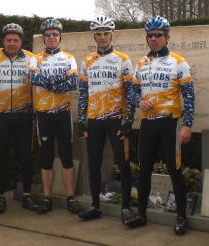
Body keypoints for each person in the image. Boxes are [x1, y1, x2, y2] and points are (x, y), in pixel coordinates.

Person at [126, 16, 195, 235]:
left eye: (158, 35)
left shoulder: (178, 61)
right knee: (144, 170)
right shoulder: (142, 62)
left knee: (175, 170)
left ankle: (181, 216)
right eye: (150, 35)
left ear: (167, 37)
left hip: (170, 123)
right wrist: (138, 101)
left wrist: (187, 125)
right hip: (148, 124)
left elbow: (190, 95)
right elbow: (131, 90)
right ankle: (141, 214)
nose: (154, 39)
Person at [77, 16, 135, 222]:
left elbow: (131, 93)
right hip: (94, 120)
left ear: (111, 35)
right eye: (99, 34)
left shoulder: (123, 59)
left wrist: (129, 121)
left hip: (116, 119)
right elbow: (83, 93)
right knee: (93, 164)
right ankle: (95, 206)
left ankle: (126, 207)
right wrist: (81, 120)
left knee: (123, 162)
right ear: (94, 36)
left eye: (106, 34)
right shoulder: (86, 61)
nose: (102, 38)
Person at [0, 23, 38, 213]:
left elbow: (38, 83)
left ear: (21, 42)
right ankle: (0, 196)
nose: (12, 43)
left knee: (25, 156)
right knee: (0, 157)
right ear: (3, 41)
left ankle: (27, 195)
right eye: (8, 40)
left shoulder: (31, 58)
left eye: (16, 40)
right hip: (0, 116)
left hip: (24, 115)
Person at [29, 18, 81, 215]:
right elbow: (34, 78)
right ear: (43, 38)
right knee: (46, 158)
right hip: (43, 115)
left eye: (55, 34)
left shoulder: (68, 58)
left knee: (67, 157)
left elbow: (73, 82)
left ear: (60, 37)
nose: (51, 37)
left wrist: (48, 82)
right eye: (48, 34)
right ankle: (47, 198)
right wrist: (60, 79)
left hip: (63, 113)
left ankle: (70, 198)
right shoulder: (36, 58)